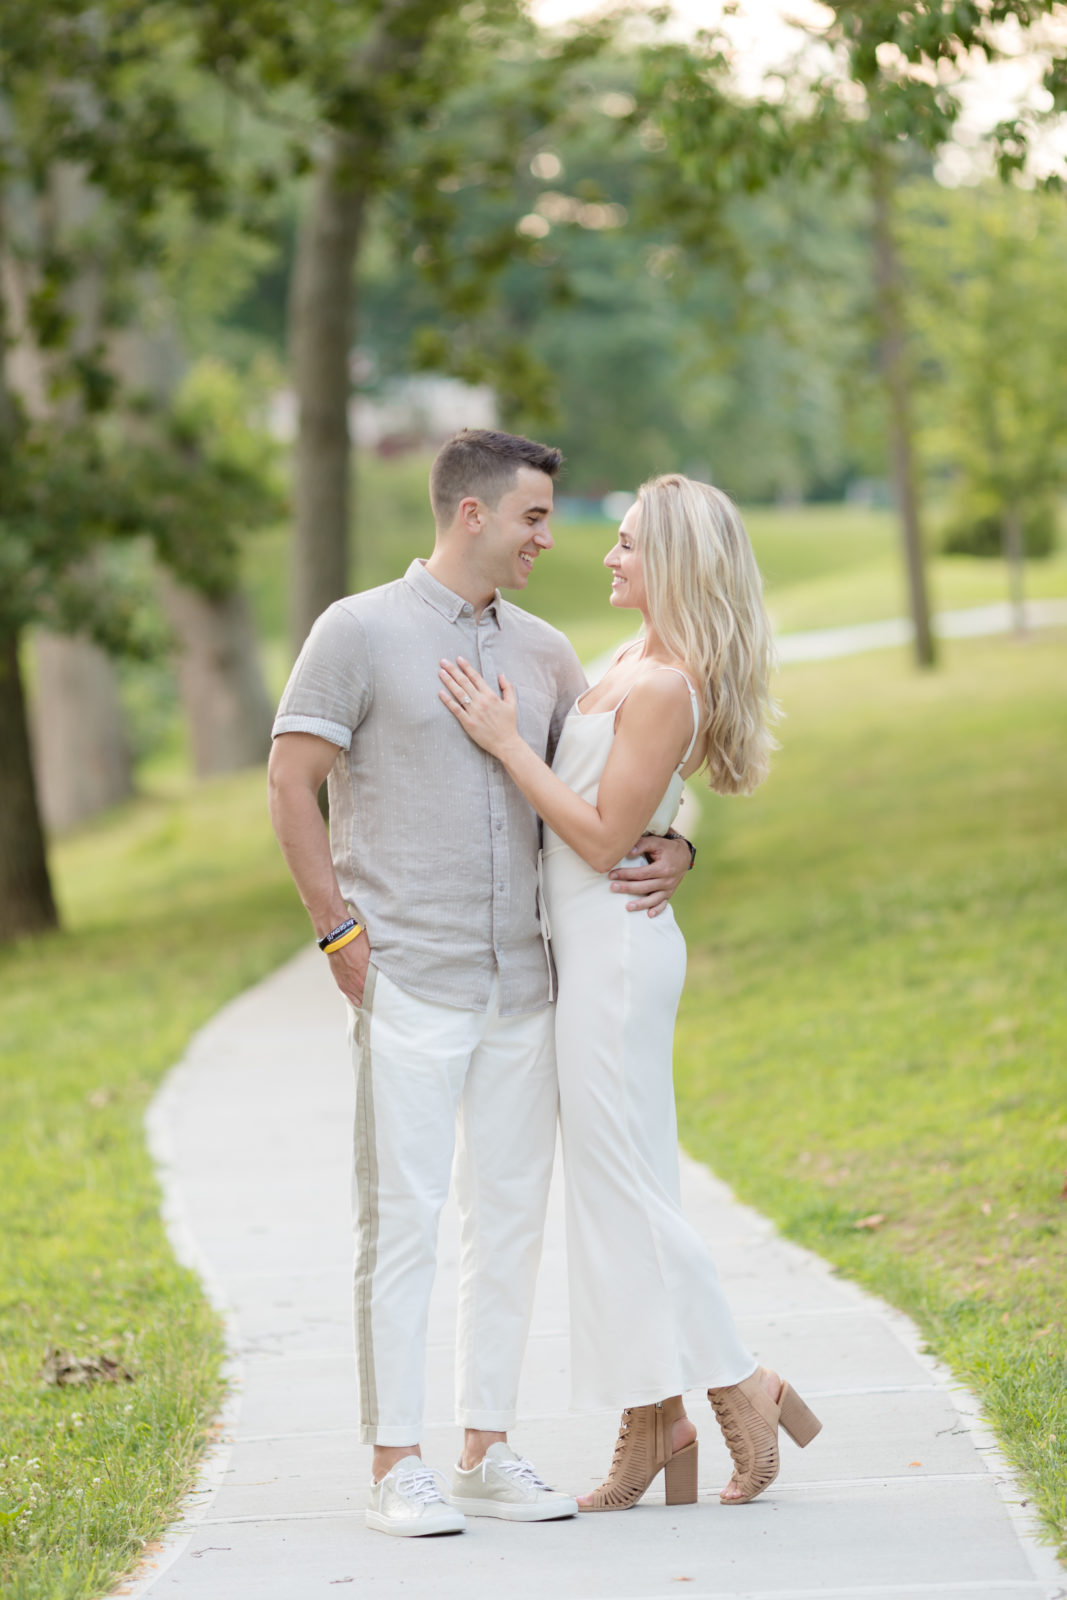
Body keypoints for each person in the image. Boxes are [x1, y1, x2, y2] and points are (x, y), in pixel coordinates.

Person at [267, 430, 695, 1537]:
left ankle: (484, 1447)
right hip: (407, 974)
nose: (549, 540)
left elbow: (616, 769)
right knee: (402, 1222)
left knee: (506, 1224)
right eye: (535, 519)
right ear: (472, 514)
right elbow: (290, 779)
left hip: (526, 986)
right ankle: (393, 1460)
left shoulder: (550, 654)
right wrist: (334, 933)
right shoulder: (355, 632)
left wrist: (680, 839)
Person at [438, 472, 823, 1514]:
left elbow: (604, 836)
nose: (603, 555)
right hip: (592, 947)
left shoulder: (662, 682)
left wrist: (508, 741)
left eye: (625, 544)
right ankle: (651, 1421)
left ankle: (743, 1379)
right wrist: (681, 832)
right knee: (619, 1193)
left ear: (675, 565)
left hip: (614, 955)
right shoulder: (624, 663)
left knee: (627, 1195)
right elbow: (641, 804)